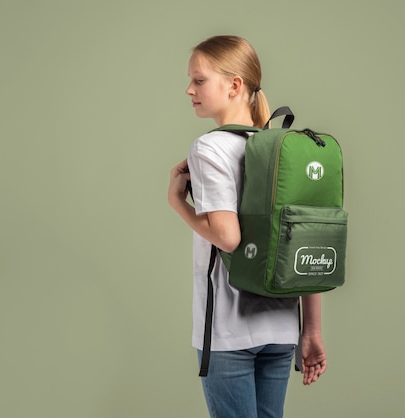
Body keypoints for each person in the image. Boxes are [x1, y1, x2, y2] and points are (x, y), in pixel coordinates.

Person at [168, 35, 327, 418]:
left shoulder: (209, 149)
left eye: (199, 80)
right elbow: (304, 239)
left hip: (230, 330)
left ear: (235, 84)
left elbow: (228, 237)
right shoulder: (283, 147)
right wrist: (312, 332)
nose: (189, 89)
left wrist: (179, 205)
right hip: (283, 327)